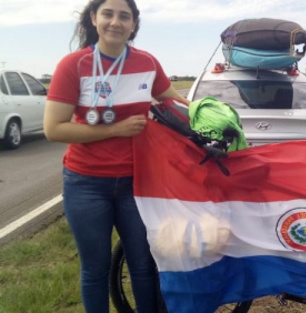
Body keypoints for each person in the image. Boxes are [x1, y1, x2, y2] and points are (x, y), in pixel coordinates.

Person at [43, 0, 189, 312]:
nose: (115, 22)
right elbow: (54, 129)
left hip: (137, 183)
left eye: (124, 16)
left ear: (134, 24)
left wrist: (214, 112)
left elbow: (176, 104)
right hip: (85, 184)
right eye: (108, 14)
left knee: (143, 264)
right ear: (94, 18)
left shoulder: (147, 63)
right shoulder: (73, 65)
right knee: (94, 269)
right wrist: (115, 130)